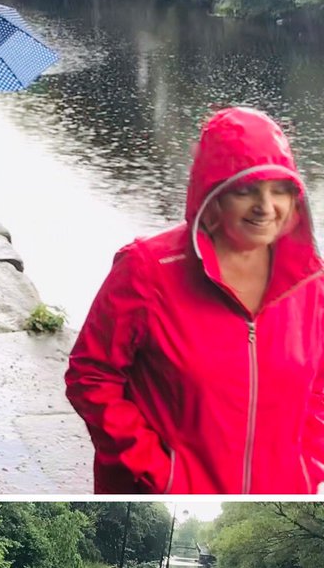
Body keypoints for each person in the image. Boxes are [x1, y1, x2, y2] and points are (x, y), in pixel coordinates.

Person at [67, 106, 324, 495]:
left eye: (280, 189)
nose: (266, 207)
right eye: (245, 189)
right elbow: (91, 376)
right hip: (166, 489)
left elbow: (318, 390)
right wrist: (159, 472)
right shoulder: (147, 269)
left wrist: (307, 467)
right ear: (213, 196)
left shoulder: (311, 282)